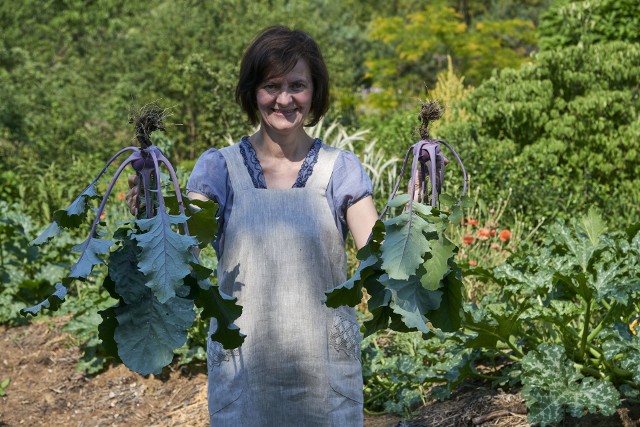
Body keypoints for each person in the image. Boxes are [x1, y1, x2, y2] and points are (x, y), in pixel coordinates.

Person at [130, 25, 377, 426]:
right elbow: (180, 251)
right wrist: (150, 206)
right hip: (244, 371)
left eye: (297, 85)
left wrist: (414, 215)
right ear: (252, 92)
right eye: (270, 85)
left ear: (315, 92)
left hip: (324, 375)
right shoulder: (219, 168)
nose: (284, 99)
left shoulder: (340, 169)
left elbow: (377, 253)